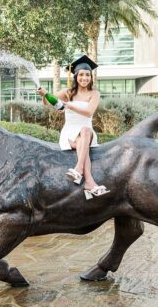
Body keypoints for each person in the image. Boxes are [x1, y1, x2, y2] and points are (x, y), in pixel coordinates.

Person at [37, 55, 110, 199]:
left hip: (87, 133)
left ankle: (78, 169)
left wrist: (69, 105)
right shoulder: (68, 92)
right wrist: (44, 94)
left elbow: (89, 113)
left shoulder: (94, 94)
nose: (84, 78)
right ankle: (89, 182)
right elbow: (47, 103)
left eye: (87, 75)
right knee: (83, 143)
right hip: (70, 134)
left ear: (91, 77)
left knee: (85, 130)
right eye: (81, 75)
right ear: (76, 76)